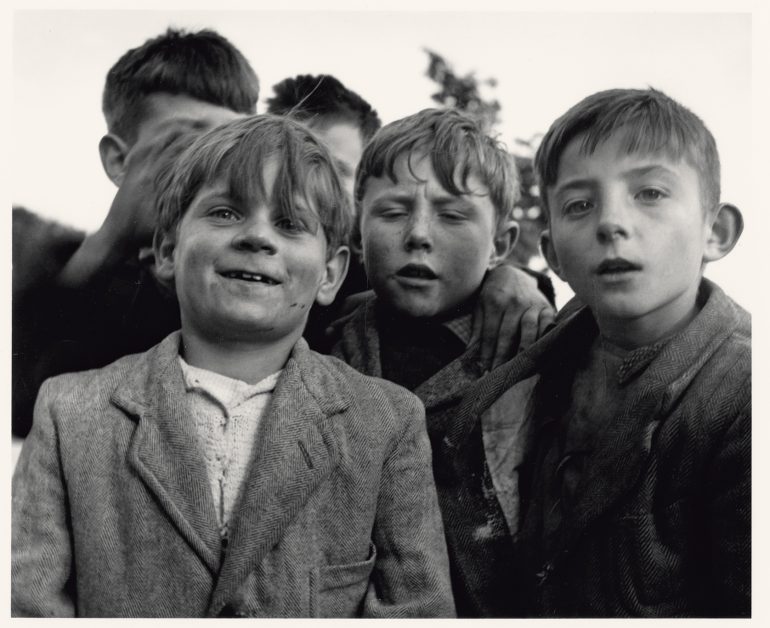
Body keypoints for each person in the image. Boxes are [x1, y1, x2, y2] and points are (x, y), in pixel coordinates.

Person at [12, 114, 456, 618]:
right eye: (225, 213)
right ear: (167, 250)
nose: (257, 237)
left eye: (289, 224)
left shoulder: (387, 422)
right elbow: (27, 605)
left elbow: (418, 610)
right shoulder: (69, 413)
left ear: (331, 273)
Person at [453, 88, 750, 617]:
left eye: (651, 193)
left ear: (716, 231)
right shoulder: (543, 356)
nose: (610, 223)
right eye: (579, 204)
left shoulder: (744, 400)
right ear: (552, 255)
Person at [331, 107, 550, 616]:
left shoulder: (538, 352)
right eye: (392, 212)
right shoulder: (321, 341)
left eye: (453, 215)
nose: (419, 234)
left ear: (501, 244)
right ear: (356, 228)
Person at [12, 28, 259, 437]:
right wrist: (113, 238)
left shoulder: (264, 264)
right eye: (184, 144)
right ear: (118, 160)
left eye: (233, 146)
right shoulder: (83, 276)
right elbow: (24, 409)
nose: (211, 168)